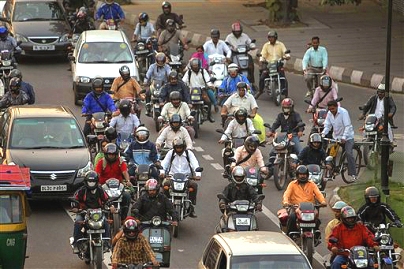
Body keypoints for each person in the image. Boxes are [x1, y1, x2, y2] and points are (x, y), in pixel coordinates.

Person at [282, 165, 327, 243]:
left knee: (317, 219)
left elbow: (318, 194)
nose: (302, 176)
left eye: (304, 174)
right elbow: (286, 194)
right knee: (292, 217)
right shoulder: (292, 184)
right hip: (296, 208)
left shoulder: (312, 184)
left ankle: (316, 236)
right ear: (297, 175)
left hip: (310, 208)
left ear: (307, 175)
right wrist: (286, 202)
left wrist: (322, 201)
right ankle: (290, 236)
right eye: (301, 174)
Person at [71, 171, 112, 253]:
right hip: (84, 212)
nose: (91, 184)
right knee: (77, 222)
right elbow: (75, 200)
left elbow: (107, 199)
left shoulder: (100, 190)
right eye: (90, 182)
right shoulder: (82, 190)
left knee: (106, 222)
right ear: (86, 182)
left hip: (98, 213)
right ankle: (77, 244)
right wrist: (75, 208)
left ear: (96, 182)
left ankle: (106, 243)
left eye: (93, 182)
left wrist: (111, 206)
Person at [161, 138, 201, 218]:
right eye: (177, 148)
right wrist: (162, 172)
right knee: (165, 186)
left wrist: (198, 174)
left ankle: (191, 207)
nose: (179, 149)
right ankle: (164, 206)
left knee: (194, 186)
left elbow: (195, 164)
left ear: (184, 147)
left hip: (186, 178)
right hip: (172, 177)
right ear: (174, 148)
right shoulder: (170, 153)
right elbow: (164, 164)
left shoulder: (189, 153)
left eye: (180, 147)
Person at [321, 100, 357, 182]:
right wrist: (323, 134)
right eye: (330, 109)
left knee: (348, 153)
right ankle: (331, 171)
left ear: (337, 106)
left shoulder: (344, 112)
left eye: (333, 109)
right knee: (331, 154)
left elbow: (347, 126)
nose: (332, 111)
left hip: (347, 137)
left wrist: (344, 137)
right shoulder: (330, 113)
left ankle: (353, 174)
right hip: (336, 137)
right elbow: (327, 125)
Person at [95, 143, 132, 221]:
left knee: (127, 196)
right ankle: (100, 215)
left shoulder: (120, 162)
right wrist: (96, 183)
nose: (111, 156)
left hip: (118, 187)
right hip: (104, 187)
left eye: (113, 154)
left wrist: (128, 181)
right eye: (109, 154)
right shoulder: (101, 162)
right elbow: (97, 175)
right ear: (106, 154)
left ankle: (123, 218)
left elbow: (125, 172)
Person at [266, 98, 304, 173]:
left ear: (291, 107)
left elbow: (300, 123)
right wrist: (271, 131)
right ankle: (270, 168)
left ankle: (300, 168)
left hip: (293, 135)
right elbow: (275, 124)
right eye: (285, 108)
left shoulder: (296, 115)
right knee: (273, 152)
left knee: (300, 151)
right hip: (282, 136)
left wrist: (300, 131)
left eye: (288, 108)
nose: (286, 109)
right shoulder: (280, 116)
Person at [257, 30, 290, 100]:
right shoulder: (266, 45)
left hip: (278, 64)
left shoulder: (281, 44)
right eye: (269, 37)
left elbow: (285, 52)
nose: (271, 39)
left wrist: (287, 56)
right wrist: (261, 60)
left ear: (275, 37)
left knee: (283, 78)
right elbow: (263, 54)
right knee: (263, 77)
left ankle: (285, 93)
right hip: (268, 64)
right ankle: (260, 91)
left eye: (272, 37)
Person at [182, 58, 216, 122]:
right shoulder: (189, 72)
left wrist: (210, 85)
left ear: (199, 65)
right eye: (193, 66)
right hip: (191, 90)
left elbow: (207, 80)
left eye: (196, 66)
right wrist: (183, 85)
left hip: (202, 90)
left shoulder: (203, 71)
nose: (195, 68)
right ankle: (185, 116)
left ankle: (209, 115)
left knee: (208, 101)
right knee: (186, 102)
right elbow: (184, 80)